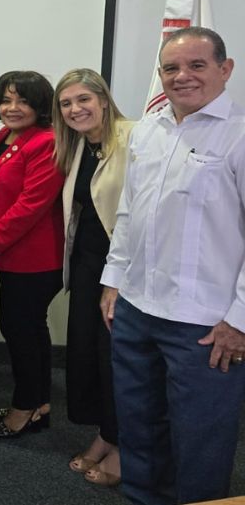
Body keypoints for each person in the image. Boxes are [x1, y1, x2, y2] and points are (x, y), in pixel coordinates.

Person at [101, 27, 245, 504]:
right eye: (170, 68)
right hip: (137, 309)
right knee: (139, 425)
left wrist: (240, 322)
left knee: (201, 439)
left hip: (205, 324)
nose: (181, 77)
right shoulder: (149, 130)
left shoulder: (240, 135)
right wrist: (113, 282)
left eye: (197, 65)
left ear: (225, 69)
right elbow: (129, 213)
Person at [53, 68, 133, 487]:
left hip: (123, 271)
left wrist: (118, 279)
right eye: (66, 103)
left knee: (117, 359)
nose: (75, 109)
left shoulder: (133, 138)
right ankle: (107, 432)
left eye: (83, 99)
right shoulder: (80, 146)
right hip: (88, 264)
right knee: (88, 354)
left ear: (103, 99)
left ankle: (124, 447)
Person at [0, 70, 63, 437]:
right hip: (16, 256)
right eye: (6, 99)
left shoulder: (46, 141)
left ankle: (24, 407)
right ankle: (38, 403)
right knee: (28, 328)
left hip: (36, 258)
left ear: (40, 105)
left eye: (23, 100)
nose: (12, 108)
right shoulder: (11, 137)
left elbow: (30, 206)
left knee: (20, 330)